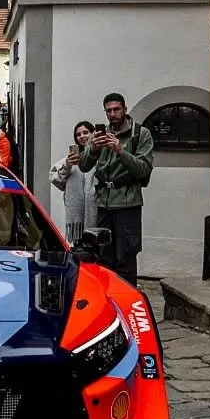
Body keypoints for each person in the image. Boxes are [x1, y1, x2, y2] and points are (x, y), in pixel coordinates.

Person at [79, 91, 154, 287]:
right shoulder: (99, 134)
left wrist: (121, 151)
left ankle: (127, 298)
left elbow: (144, 168)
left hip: (127, 202)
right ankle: (107, 299)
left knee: (126, 256)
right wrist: (93, 149)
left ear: (125, 109)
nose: (113, 114)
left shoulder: (140, 134)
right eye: (109, 111)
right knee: (104, 255)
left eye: (116, 109)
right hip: (104, 201)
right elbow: (84, 166)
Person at [50, 123, 98, 247]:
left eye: (86, 132)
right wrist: (68, 165)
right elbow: (57, 180)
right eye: (78, 134)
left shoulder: (101, 156)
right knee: (79, 249)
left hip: (98, 215)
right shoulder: (70, 159)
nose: (82, 136)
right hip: (77, 222)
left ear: (93, 133)